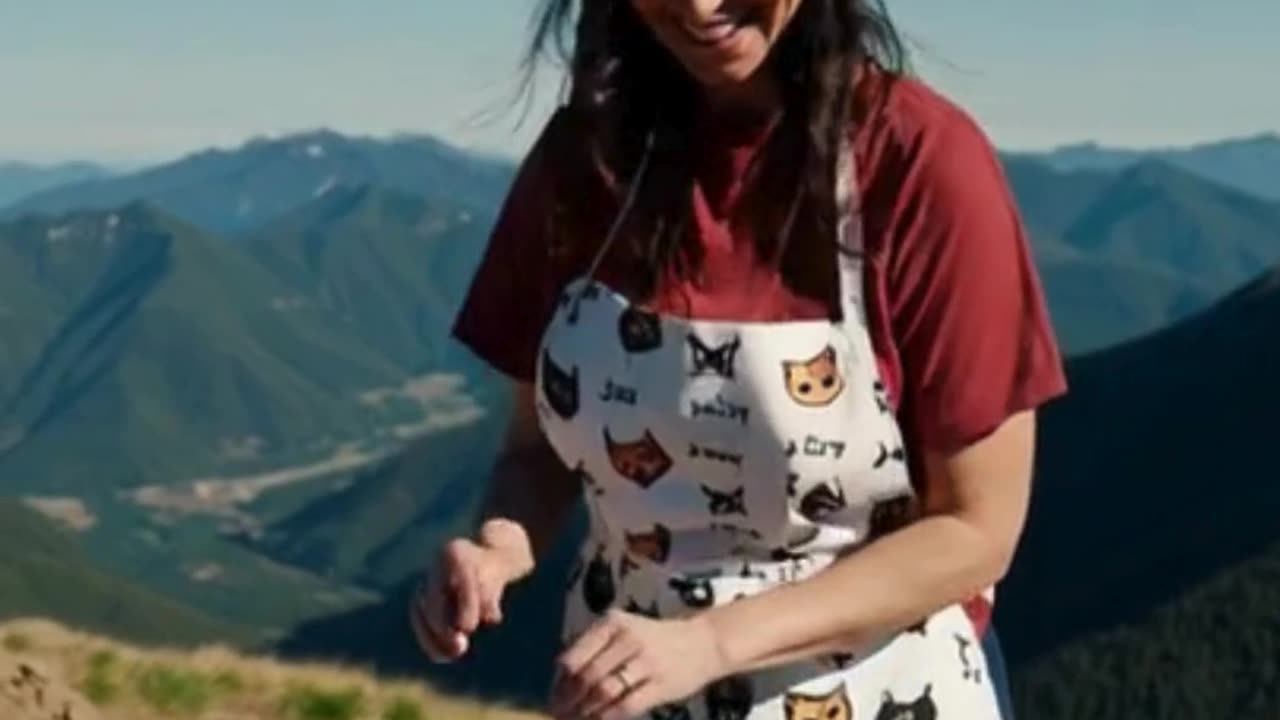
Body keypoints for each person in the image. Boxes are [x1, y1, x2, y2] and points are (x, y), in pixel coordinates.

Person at [411, 1, 1067, 718]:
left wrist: (711, 643)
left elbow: (976, 531)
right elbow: (536, 451)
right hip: (633, 694)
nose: (697, 5)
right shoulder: (584, 162)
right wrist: (497, 550)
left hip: (883, 692)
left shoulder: (918, 163)